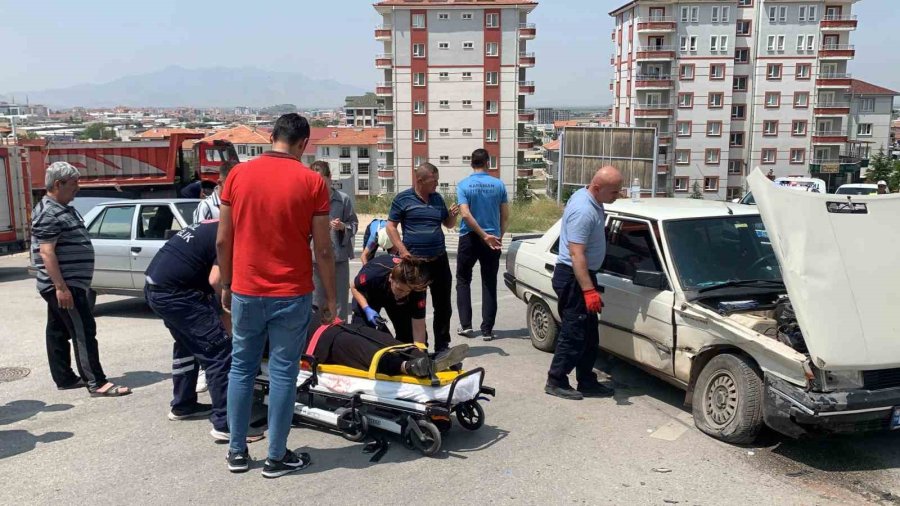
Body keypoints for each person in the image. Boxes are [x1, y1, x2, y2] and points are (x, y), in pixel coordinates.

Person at [217, 113, 336, 478]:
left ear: (271, 137)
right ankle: (276, 456)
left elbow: (223, 240)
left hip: (246, 289)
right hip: (291, 292)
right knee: (284, 373)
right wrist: (330, 298)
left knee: (242, 368)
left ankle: (237, 452)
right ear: (304, 144)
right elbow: (323, 249)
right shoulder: (312, 181)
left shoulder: (238, 175)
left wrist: (226, 283)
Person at [144, 219, 262, 443]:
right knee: (220, 353)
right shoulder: (233, 232)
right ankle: (226, 425)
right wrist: (231, 327)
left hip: (156, 288)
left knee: (187, 347)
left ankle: (183, 405)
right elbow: (217, 281)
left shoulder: (215, 223)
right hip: (179, 294)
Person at [31, 162, 131, 397]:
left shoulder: (63, 208)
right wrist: (61, 287)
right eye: (74, 183)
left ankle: (64, 378)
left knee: (57, 330)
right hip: (65, 284)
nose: (78, 187)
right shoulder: (48, 212)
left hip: (69, 283)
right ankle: (96, 382)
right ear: (58, 184)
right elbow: (46, 252)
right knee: (83, 330)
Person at [545, 166, 623, 401]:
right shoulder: (583, 211)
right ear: (597, 188)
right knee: (574, 333)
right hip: (574, 278)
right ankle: (556, 380)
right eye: (614, 192)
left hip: (583, 276)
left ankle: (587, 380)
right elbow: (576, 254)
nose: (618, 195)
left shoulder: (592, 198)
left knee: (589, 334)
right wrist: (589, 291)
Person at [386, 163, 459, 353]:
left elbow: (448, 224)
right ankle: (420, 347)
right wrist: (402, 250)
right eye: (434, 180)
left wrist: (452, 216)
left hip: (439, 260)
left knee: (443, 306)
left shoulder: (437, 199)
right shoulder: (403, 199)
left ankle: (442, 346)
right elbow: (391, 226)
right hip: (416, 263)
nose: (437, 184)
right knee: (417, 307)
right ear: (420, 180)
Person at [191, 160, 238, 394]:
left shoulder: (236, 203)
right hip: (210, 272)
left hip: (225, 270)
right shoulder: (207, 206)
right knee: (210, 326)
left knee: (227, 324)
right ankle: (204, 371)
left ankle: (226, 368)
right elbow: (199, 237)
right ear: (221, 181)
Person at [305, 311, 469, 378]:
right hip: (319, 342)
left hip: (336, 325)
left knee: (386, 340)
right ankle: (407, 366)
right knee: (365, 350)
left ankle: (429, 359)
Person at [455, 148, 509, 342]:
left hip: (469, 237)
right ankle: (487, 330)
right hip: (492, 238)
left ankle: (466, 325)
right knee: (489, 282)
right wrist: (496, 236)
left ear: (471, 163)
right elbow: (505, 216)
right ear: (488, 162)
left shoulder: (463, 185)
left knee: (463, 280)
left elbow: (465, 214)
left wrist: (482, 235)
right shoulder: (499, 184)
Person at [310, 160, 358, 321]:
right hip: (315, 261)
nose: (318, 185)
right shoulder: (309, 200)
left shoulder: (343, 200)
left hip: (338, 259)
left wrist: (343, 226)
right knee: (316, 303)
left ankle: (339, 333)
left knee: (339, 304)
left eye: (321, 180)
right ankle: (318, 335)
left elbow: (354, 224)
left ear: (329, 178)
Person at [351, 255, 430, 344]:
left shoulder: (415, 289)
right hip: (371, 294)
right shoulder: (374, 274)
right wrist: (366, 308)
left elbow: (419, 326)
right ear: (390, 278)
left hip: (397, 301)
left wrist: (419, 350)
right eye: (400, 289)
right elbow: (354, 287)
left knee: (408, 337)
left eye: (407, 291)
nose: (403, 294)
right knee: (362, 336)